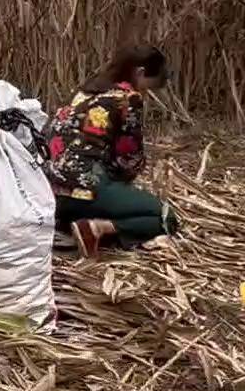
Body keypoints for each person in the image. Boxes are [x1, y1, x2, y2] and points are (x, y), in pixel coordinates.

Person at [44, 45, 179, 253]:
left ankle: (67, 225)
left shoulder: (86, 91)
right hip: (86, 189)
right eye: (150, 84)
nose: (147, 91)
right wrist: (123, 186)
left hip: (49, 192)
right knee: (164, 216)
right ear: (140, 73)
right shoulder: (128, 98)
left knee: (113, 197)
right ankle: (98, 228)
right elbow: (128, 159)